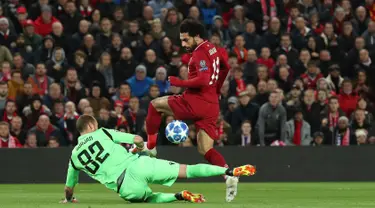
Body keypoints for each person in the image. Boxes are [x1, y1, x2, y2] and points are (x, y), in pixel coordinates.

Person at [141, 19, 236, 202]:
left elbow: (202, 79)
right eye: (181, 40)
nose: (183, 44)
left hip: (195, 101)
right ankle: (228, 175)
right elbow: (226, 67)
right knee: (205, 149)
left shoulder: (199, 54)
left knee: (154, 105)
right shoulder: (213, 49)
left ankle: (151, 147)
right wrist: (216, 90)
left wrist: (179, 82)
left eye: (186, 40)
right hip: (211, 105)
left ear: (197, 37)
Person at [61, 115, 256, 204]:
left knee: (149, 198)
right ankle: (227, 171)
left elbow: (69, 188)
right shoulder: (103, 132)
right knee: (187, 170)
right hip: (140, 164)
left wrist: (69, 200)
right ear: (92, 125)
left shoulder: (74, 157)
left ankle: (178, 196)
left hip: (126, 186)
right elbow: (137, 139)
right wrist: (140, 149)